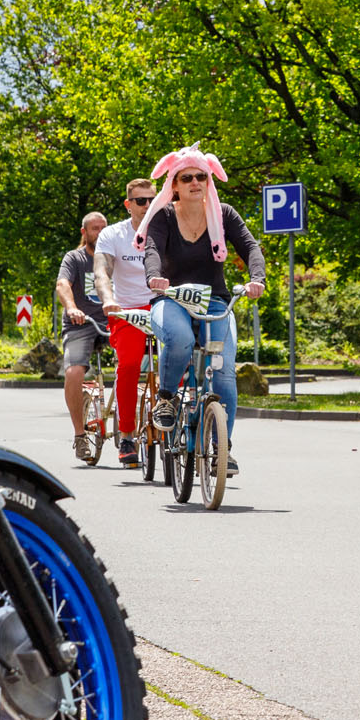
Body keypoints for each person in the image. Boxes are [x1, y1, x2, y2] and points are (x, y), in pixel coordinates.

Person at [138, 144, 265, 476]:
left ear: (210, 180)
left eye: (201, 176)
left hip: (214, 300)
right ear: (175, 185)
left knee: (223, 373)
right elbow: (150, 249)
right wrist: (154, 277)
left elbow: (250, 246)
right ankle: (166, 398)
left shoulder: (224, 214)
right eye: (187, 177)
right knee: (178, 338)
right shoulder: (163, 216)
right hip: (171, 298)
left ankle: (223, 448)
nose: (196, 182)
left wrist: (257, 278)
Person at [94, 178, 156, 469]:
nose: (147, 206)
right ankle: (128, 434)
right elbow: (102, 273)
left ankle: (177, 423)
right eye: (140, 201)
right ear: (128, 204)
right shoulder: (113, 234)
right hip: (126, 309)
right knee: (130, 364)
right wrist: (108, 299)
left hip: (161, 306)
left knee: (179, 360)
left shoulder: (167, 227)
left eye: (151, 200)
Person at [57, 212, 111, 463]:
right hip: (82, 322)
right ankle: (80, 435)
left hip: (114, 321)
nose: (99, 232)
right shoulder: (75, 258)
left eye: (103, 228)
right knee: (74, 372)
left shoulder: (115, 257)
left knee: (142, 361)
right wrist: (71, 307)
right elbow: (63, 285)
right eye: (94, 228)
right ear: (84, 232)